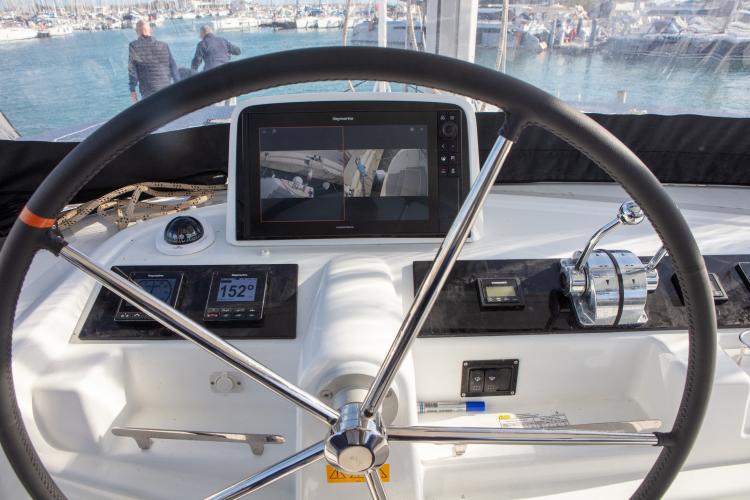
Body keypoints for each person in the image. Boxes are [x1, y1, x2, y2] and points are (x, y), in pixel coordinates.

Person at [128, 20, 179, 103]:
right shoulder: (164, 45)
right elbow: (173, 67)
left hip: (148, 91)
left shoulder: (134, 46)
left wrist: (132, 89)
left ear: (137, 32)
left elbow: (132, 71)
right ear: (151, 30)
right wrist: (178, 86)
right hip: (166, 88)